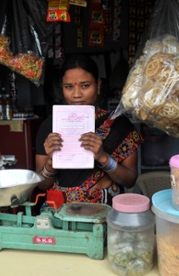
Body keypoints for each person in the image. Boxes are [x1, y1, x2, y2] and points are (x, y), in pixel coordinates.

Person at [35, 54, 143, 205]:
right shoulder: (50, 126)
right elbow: (42, 184)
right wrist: (51, 164)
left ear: (98, 85)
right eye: (69, 87)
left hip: (104, 208)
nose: (77, 94)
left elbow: (130, 180)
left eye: (85, 85)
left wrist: (103, 158)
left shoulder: (119, 124)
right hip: (60, 210)